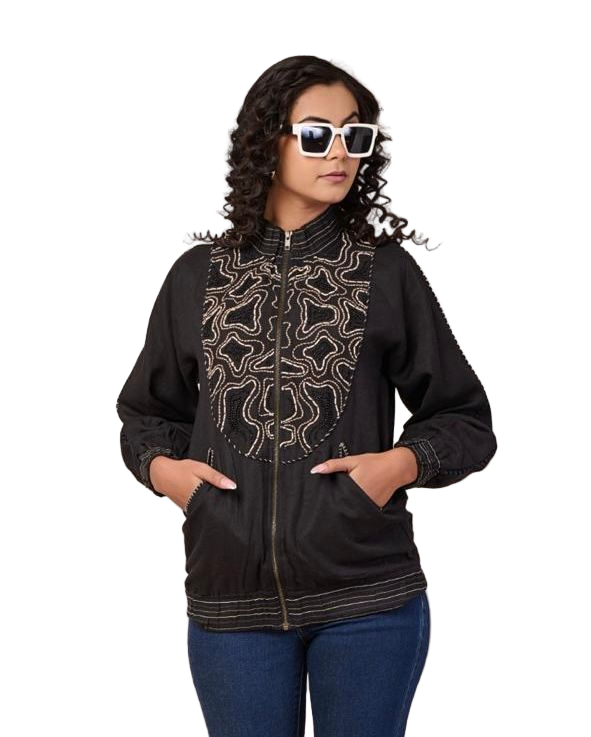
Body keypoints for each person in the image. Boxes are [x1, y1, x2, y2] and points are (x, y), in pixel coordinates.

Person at [116, 55, 497, 737]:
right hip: (231, 602)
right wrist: (173, 478)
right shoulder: (197, 278)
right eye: (318, 134)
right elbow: (147, 413)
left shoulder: (385, 273)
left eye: (356, 135)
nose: (341, 152)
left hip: (368, 598)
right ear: (268, 142)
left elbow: (463, 417)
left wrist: (396, 466)